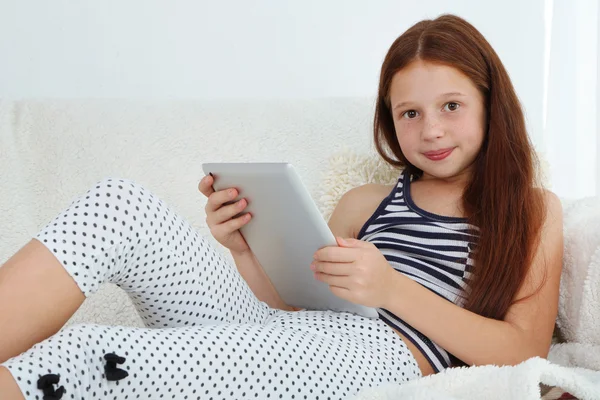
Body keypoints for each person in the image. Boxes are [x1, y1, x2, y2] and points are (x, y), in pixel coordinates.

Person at [0, 13, 563, 400]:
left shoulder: (531, 210)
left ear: (493, 105)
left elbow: (524, 350)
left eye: (451, 106)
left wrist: (390, 290)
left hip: (381, 353)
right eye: (409, 113)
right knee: (120, 205)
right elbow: (292, 309)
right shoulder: (365, 203)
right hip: (295, 338)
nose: (432, 129)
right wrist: (245, 251)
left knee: (93, 355)